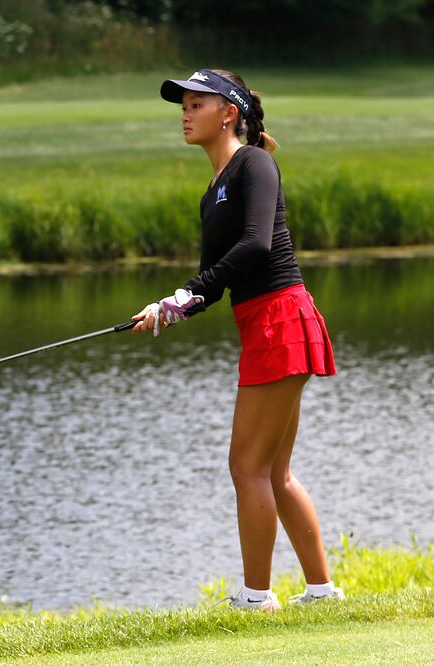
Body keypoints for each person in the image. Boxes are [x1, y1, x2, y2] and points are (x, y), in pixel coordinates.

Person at [131, 69, 344, 610]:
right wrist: (169, 309)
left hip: (280, 317)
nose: (184, 111)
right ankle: (321, 591)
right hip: (263, 322)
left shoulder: (255, 163)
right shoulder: (212, 192)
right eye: (183, 104)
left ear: (229, 113)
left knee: (246, 467)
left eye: (196, 103)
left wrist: (186, 292)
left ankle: (256, 598)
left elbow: (255, 246)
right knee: (272, 469)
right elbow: (214, 284)